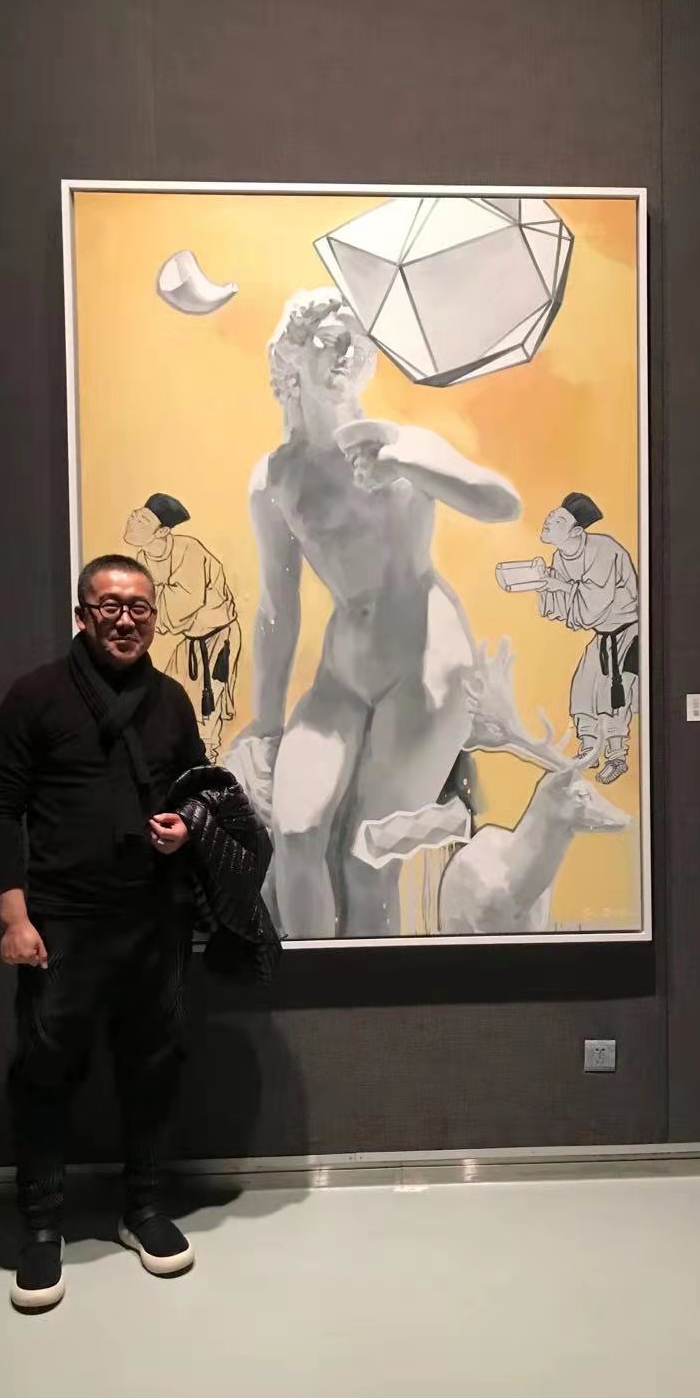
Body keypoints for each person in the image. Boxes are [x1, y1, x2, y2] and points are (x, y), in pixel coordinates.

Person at [225, 287, 520, 940]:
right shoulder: (275, 479)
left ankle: (368, 994)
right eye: (332, 340)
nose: (347, 354)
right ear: (292, 355)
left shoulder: (404, 442)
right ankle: (309, 985)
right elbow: (277, 608)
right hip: (344, 670)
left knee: (367, 860)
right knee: (296, 832)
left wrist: (408, 463)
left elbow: (502, 502)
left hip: (426, 662)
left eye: (358, 343)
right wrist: (267, 723)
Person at [0, 555, 207, 1311]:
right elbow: (1, 805)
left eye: (139, 606)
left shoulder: (171, 700)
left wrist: (186, 828)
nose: (125, 618)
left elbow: (199, 791)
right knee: (45, 1070)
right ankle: (42, 1225)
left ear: (154, 618)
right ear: (82, 614)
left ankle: (142, 1207)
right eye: (109, 605)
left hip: (153, 917)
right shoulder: (35, 696)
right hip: (61, 920)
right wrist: (14, 916)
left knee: (153, 1066)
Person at [125, 493, 241, 762]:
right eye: (136, 514)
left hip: (216, 639)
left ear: (163, 531)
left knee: (206, 713)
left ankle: (206, 770)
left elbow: (179, 607)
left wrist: (154, 606)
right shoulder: (142, 559)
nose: (133, 520)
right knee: (165, 700)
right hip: (191, 641)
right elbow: (146, 606)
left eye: (143, 520)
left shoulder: (189, 551)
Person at [537, 493, 639, 783]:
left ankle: (617, 757)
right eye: (551, 516)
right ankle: (589, 751)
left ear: (577, 532)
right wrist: (543, 582)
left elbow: (596, 603)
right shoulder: (560, 556)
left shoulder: (603, 550)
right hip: (602, 635)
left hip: (627, 633)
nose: (549, 520)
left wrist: (559, 585)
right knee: (583, 690)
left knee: (615, 697)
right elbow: (565, 608)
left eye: (559, 520)